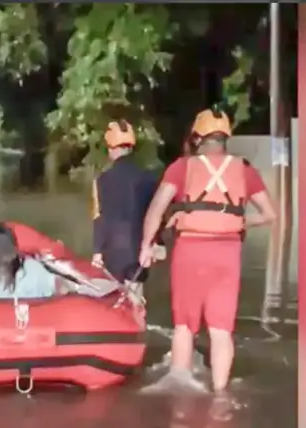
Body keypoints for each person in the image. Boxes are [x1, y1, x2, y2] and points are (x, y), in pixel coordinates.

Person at [138, 108, 277, 392]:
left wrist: (146, 246)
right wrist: (235, 221)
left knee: (184, 327)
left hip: (190, 251)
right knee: (221, 331)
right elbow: (270, 214)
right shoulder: (245, 169)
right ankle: (220, 394)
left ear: (197, 138)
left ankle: (179, 391)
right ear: (226, 138)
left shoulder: (181, 167)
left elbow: (155, 211)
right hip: (228, 255)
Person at [91, 119, 166, 299]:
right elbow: (156, 212)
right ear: (131, 147)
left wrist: (97, 251)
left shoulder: (102, 179)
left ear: (110, 147)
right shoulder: (149, 177)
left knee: (115, 302)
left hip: (113, 251)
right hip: (139, 248)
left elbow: (99, 217)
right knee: (136, 299)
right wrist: (157, 243)